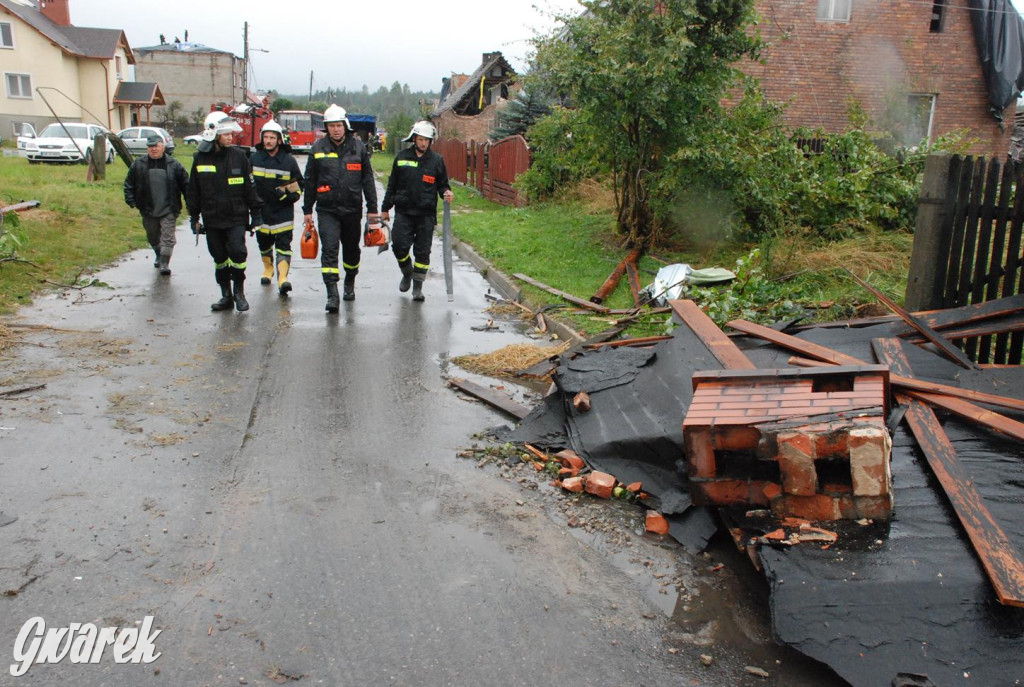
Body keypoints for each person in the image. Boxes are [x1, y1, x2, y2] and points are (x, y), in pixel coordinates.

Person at [302, 104, 379, 311]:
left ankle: (349, 282)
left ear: (345, 126)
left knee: (351, 251)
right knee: (329, 249)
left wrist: (373, 210)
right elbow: (310, 181)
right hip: (327, 210)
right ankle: (332, 294)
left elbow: (368, 181)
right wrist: (307, 209)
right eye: (331, 126)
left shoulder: (359, 148)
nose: (336, 129)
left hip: (352, 210)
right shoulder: (317, 149)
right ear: (327, 128)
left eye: (339, 125)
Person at [186, 111, 263, 312]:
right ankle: (226, 295)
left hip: (236, 216)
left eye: (231, 133)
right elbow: (193, 190)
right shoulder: (200, 158)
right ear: (213, 134)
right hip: (212, 218)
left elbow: (249, 188)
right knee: (219, 258)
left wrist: (256, 214)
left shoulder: (240, 157)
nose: (230, 137)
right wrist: (194, 217)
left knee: (238, 253)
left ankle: (239, 292)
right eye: (226, 134)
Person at [381, 120, 453, 302]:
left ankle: (417, 288)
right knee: (399, 246)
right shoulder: (402, 157)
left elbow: (443, 185)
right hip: (404, 212)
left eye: (427, 140)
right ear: (414, 138)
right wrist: (385, 208)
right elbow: (392, 185)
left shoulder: (437, 161)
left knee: (422, 252)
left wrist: (446, 192)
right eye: (421, 139)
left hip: (426, 215)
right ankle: (407, 272)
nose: (423, 143)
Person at [123, 134, 189, 276]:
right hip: (148, 208)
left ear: (162, 147)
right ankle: (158, 254)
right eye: (150, 147)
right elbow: (129, 184)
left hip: (169, 208)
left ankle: (165, 263)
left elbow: (186, 185)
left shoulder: (174, 164)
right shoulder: (138, 164)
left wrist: (191, 203)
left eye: (156, 146)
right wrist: (131, 200)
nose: (153, 149)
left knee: (167, 237)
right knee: (152, 235)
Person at [251, 120, 303, 296]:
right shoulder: (254, 158)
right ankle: (268, 269)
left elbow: (299, 186)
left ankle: (283, 279)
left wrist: (285, 195)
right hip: (261, 211)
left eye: (272, 137)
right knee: (264, 244)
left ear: (279, 140)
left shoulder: (289, 161)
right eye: (266, 137)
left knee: (283, 245)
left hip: (283, 211)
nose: (268, 141)